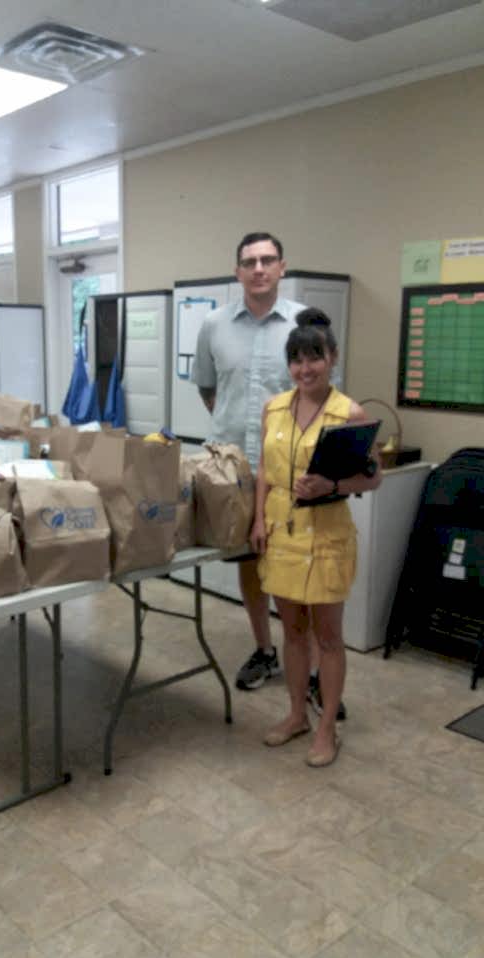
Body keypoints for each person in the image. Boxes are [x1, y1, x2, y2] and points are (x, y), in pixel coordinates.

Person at [251, 308, 381, 766]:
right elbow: (265, 467)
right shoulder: (274, 408)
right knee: (292, 631)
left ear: (332, 358)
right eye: (296, 360)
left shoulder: (350, 414)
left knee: (327, 636)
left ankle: (327, 727)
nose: (305, 369)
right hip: (282, 529)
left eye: (314, 358)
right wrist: (256, 519)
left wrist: (333, 486)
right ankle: (295, 715)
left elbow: (372, 480)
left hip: (326, 535)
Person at [191, 231, 305, 690]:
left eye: (268, 260)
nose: (259, 268)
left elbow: (316, 393)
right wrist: (234, 427)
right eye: (249, 262)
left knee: (295, 574)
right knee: (250, 566)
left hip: (285, 472)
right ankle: (265, 650)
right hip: (233, 473)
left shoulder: (304, 324)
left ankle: (311, 670)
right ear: (237, 271)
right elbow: (207, 388)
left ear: (282, 268)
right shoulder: (214, 325)